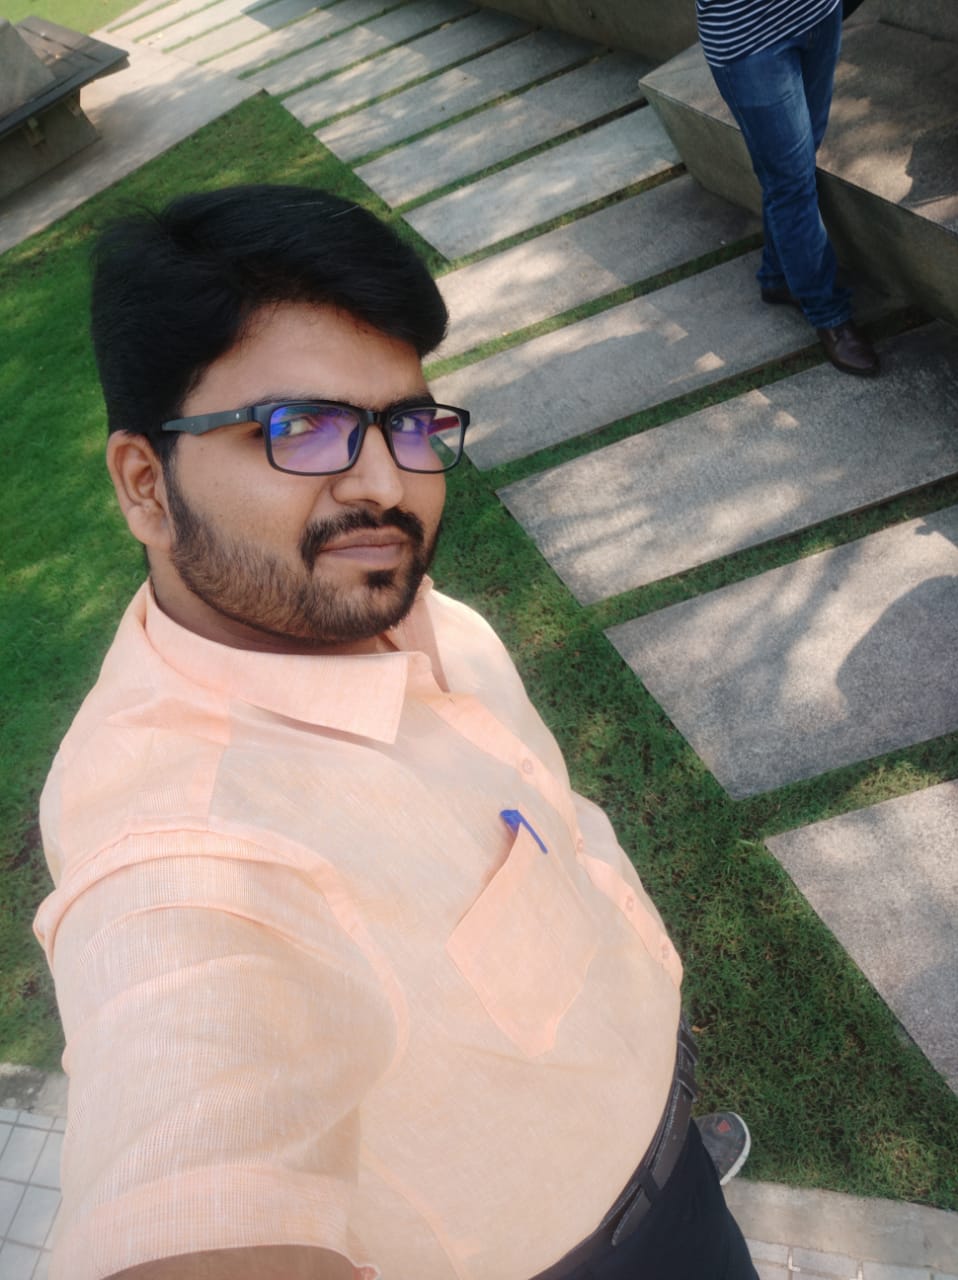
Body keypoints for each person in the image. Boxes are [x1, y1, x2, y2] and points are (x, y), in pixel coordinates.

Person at [34, 184, 758, 1280]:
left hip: (662, 1127)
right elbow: (186, 1155)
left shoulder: (394, 608)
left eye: (408, 424)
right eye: (299, 427)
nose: (386, 483)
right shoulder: (182, 853)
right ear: (145, 484)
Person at [696, 0, 880, 376]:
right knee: (791, 182)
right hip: (750, 37)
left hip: (817, 13)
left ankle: (777, 276)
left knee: (797, 164)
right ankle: (828, 312)